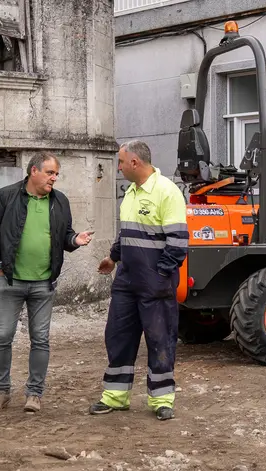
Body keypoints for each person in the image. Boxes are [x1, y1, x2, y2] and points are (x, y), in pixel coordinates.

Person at [0, 152, 93, 413]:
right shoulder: (6, 196)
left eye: (56, 174)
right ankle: (0, 393)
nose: (54, 178)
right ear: (34, 171)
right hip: (9, 281)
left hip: (44, 283)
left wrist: (75, 240)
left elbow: (64, 235)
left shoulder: (60, 201)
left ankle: (34, 394)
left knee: (40, 339)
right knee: (2, 337)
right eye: (50, 172)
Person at [89, 140, 188, 421]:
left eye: (121, 162)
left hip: (155, 283)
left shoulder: (167, 192)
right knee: (118, 337)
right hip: (126, 282)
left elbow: (178, 242)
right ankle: (115, 397)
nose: (118, 167)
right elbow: (127, 234)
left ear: (134, 163)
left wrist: (160, 275)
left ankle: (161, 400)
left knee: (160, 340)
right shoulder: (131, 192)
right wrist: (113, 258)